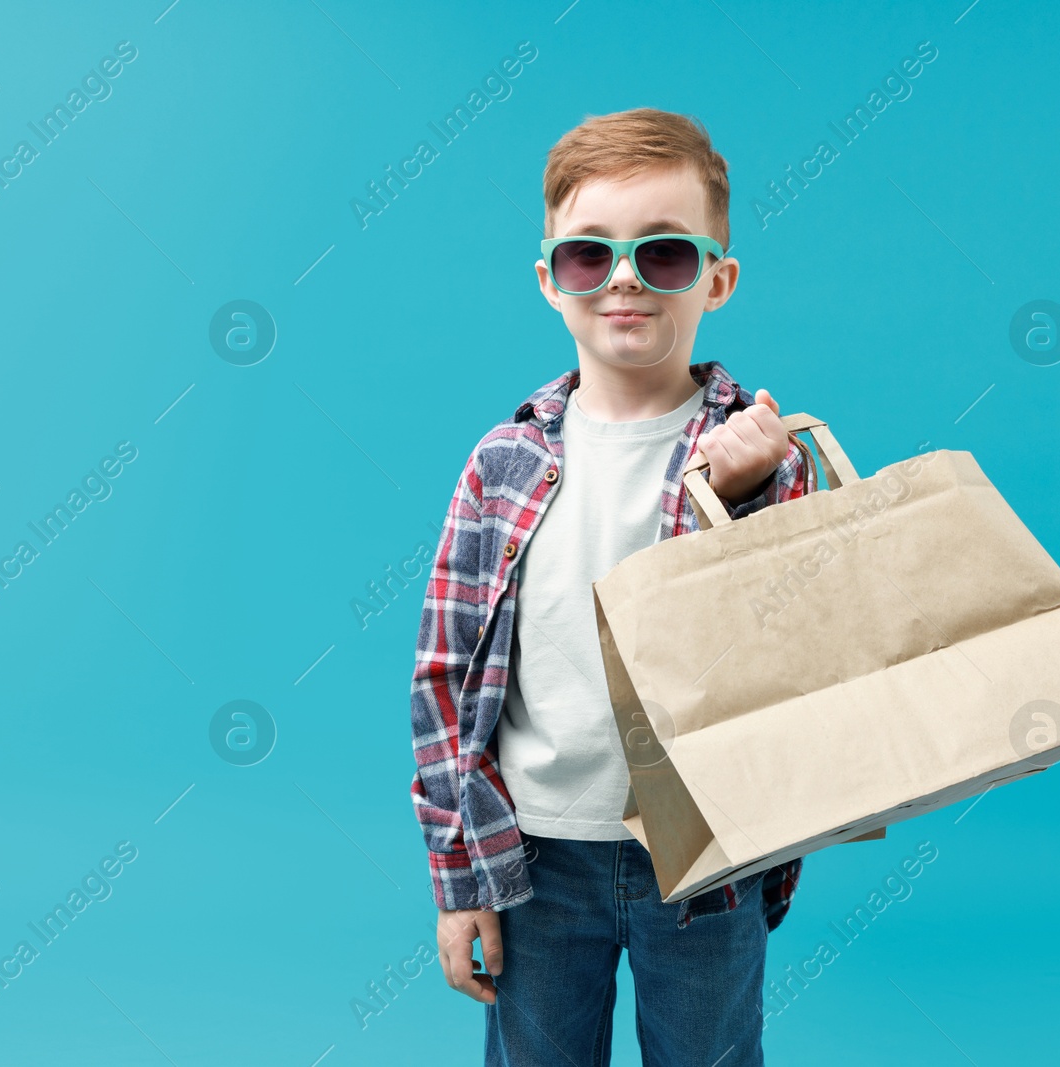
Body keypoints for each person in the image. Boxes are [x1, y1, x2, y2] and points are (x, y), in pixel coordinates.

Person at [407, 107, 817, 1066]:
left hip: (706, 853)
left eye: (664, 254)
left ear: (718, 279)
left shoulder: (757, 454)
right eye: (592, 256)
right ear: (551, 279)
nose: (625, 277)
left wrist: (750, 496)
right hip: (535, 859)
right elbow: (442, 677)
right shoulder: (503, 463)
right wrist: (459, 876)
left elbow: (802, 650)